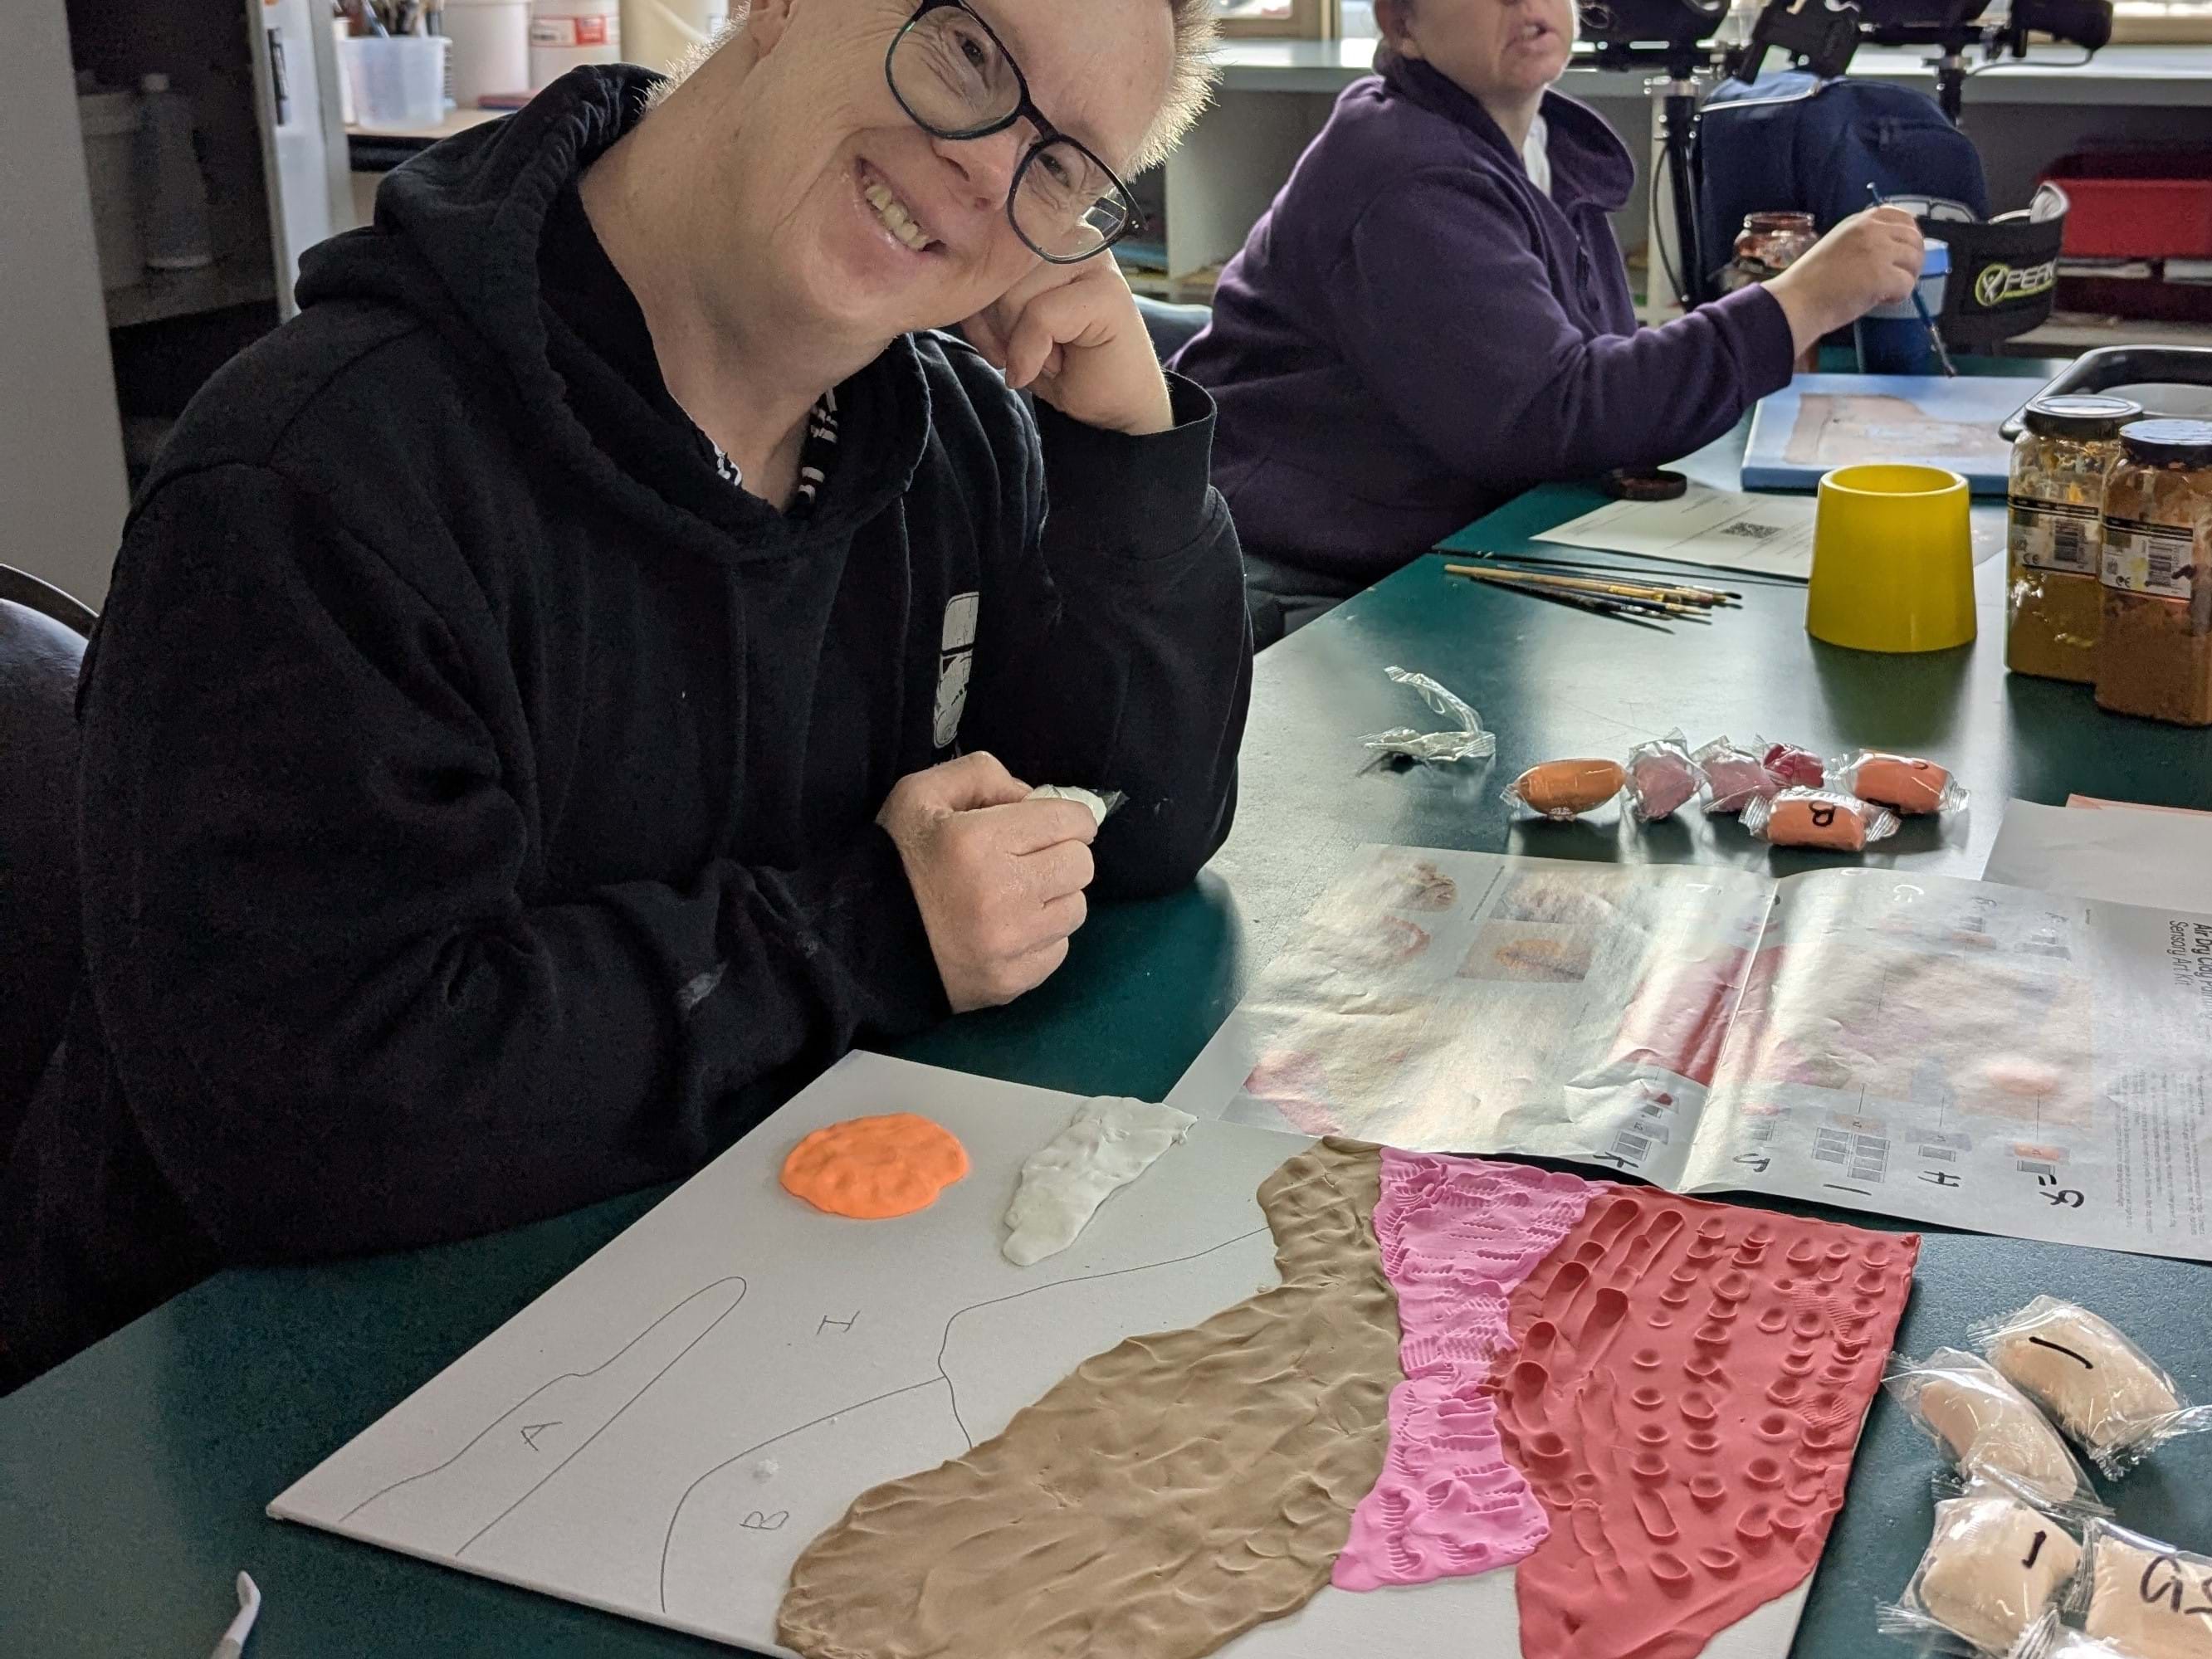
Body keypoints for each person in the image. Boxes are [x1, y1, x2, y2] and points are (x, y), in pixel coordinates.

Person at [0, 0, 1251, 1390]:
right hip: (258, 1428)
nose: (987, 166)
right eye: (968, 53)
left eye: (1064, 164)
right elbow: (319, 1113)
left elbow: (1137, 833)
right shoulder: (317, 481)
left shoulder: (948, 443)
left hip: (735, 1336)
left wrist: (1132, 466)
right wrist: (871, 928)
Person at [1171, 0, 1926, 644]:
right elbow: (1550, 412)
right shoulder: (1405, 172)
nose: (1527, 4)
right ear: (1401, 24)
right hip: (1306, 587)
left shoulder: (1533, 144)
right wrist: (1801, 301)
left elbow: (1587, 369)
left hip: (1432, 547)